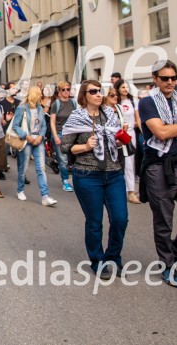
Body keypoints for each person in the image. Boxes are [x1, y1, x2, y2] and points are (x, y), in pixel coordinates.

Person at [138, 60, 177, 287]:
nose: (170, 82)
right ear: (155, 79)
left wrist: (175, 127)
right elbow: (161, 132)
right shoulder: (147, 103)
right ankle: (167, 264)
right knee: (164, 219)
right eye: (164, 78)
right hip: (157, 166)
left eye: (173, 78)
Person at [60, 79, 127, 277]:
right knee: (95, 221)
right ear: (84, 96)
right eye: (93, 91)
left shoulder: (110, 114)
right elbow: (65, 147)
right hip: (88, 175)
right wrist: (86, 147)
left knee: (120, 219)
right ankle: (97, 260)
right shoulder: (76, 117)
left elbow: (118, 140)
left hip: (114, 173)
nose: (98, 94)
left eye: (100, 91)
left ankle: (113, 256)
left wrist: (120, 140)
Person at [11, 87, 57, 206]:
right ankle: (20, 190)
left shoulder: (39, 108)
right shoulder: (22, 108)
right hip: (26, 141)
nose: (41, 96)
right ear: (34, 95)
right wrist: (27, 137)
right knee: (24, 168)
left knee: (41, 168)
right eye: (39, 94)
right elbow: (15, 126)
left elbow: (43, 125)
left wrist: (41, 136)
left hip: (38, 141)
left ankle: (45, 196)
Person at [113, 79, 140, 201]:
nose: (126, 89)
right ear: (118, 89)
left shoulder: (133, 101)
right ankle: (120, 188)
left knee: (130, 162)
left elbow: (138, 119)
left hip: (129, 134)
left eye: (127, 87)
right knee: (118, 162)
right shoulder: (114, 101)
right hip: (117, 134)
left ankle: (131, 191)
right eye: (123, 87)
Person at [49, 81, 76, 193]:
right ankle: (65, 181)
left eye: (68, 89)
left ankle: (75, 180)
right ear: (59, 92)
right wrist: (55, 136)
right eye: (63, 90)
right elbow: (52, 122)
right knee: (63, 160)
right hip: (60, 133)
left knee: (75, 158)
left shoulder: (73, 103)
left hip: (72, 134)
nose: (66, 92)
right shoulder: (56, 104)